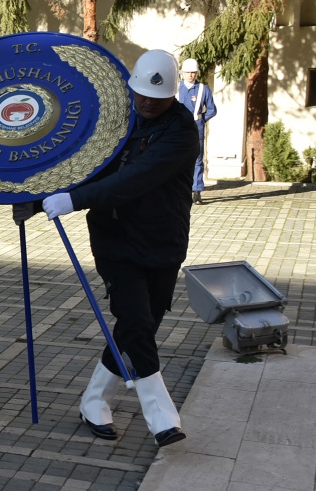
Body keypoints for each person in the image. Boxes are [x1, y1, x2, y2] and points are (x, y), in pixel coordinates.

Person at [29, 49, 197, 446]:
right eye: (140, 94)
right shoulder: (115, 118)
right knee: (135, 321)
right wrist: (34, 199)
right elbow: (75, 158)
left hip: (163, 241)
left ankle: (93, 400)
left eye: (157, 97)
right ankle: (161, 417)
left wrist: (74, 200)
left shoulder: (181, 133)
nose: (147, 102)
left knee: (139, 326)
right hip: (115, 240)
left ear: (173, 95)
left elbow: (136, 178)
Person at [177, 58, 217, 202]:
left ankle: (196, 191)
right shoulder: (175, 88)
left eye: (193, 72)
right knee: (176, 157)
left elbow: (212, 110)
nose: (191, 75)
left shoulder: (203, 89)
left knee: (197, 159)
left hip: (196, 128)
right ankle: (178, 189)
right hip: (177, 128)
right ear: (182, 73)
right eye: (188, 72)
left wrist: (201, 120)